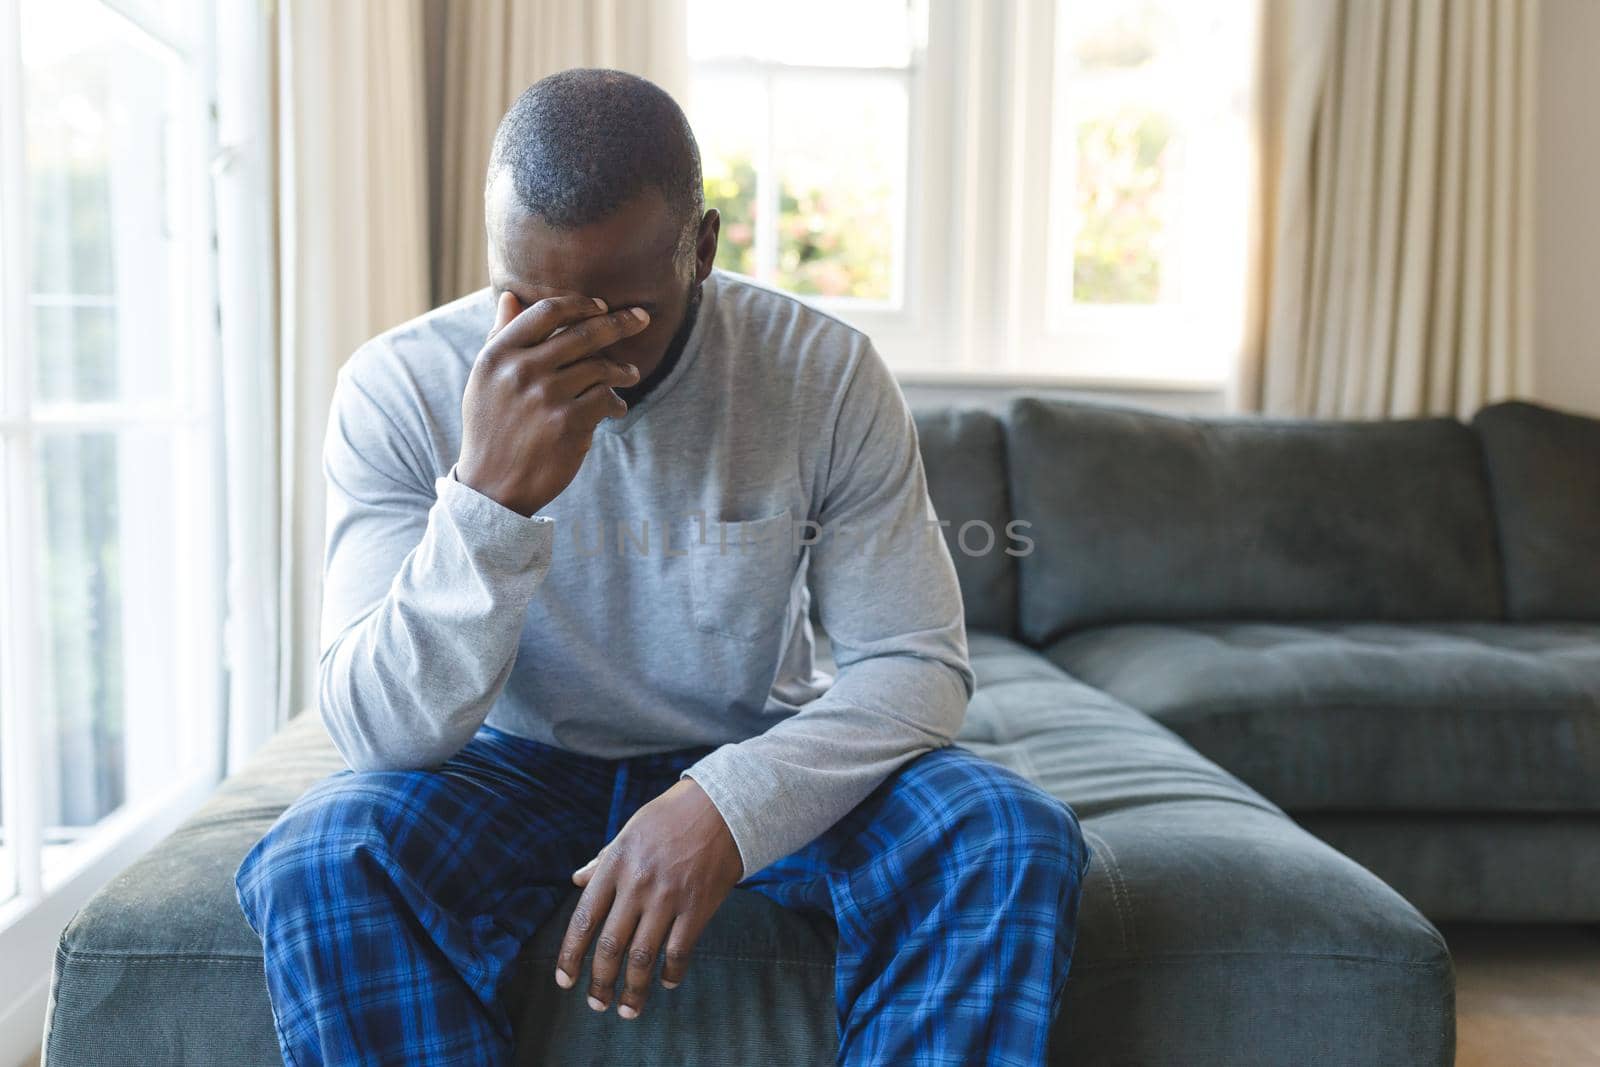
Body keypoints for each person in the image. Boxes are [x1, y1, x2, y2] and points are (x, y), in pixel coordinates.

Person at [234, 67, 1089, 1066]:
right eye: (527, 298)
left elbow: (915, 664)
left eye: (621, 310)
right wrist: (490, 501)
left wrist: (725, 806)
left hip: (742, 739)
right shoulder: (398, 385)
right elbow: (378, 730)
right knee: (321, 857)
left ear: (704, 248)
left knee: (1004, 835)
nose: (569, 341)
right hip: (506, 764)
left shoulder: (822, 372)